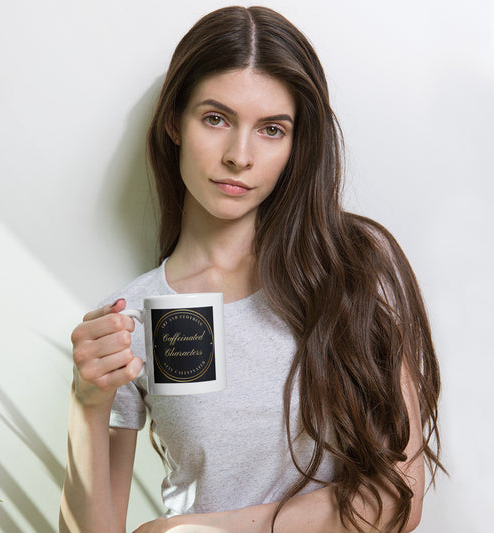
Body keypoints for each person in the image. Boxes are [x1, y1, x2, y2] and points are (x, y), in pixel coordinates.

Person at [59, 6, 444, 533]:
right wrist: (88, 405)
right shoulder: (134, 319)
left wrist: (191, 530)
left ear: (296, 143)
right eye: (215, 119)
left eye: (271, 129)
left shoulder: (355, 266)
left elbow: (397, 499)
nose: (240, 156)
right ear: (174, 121)